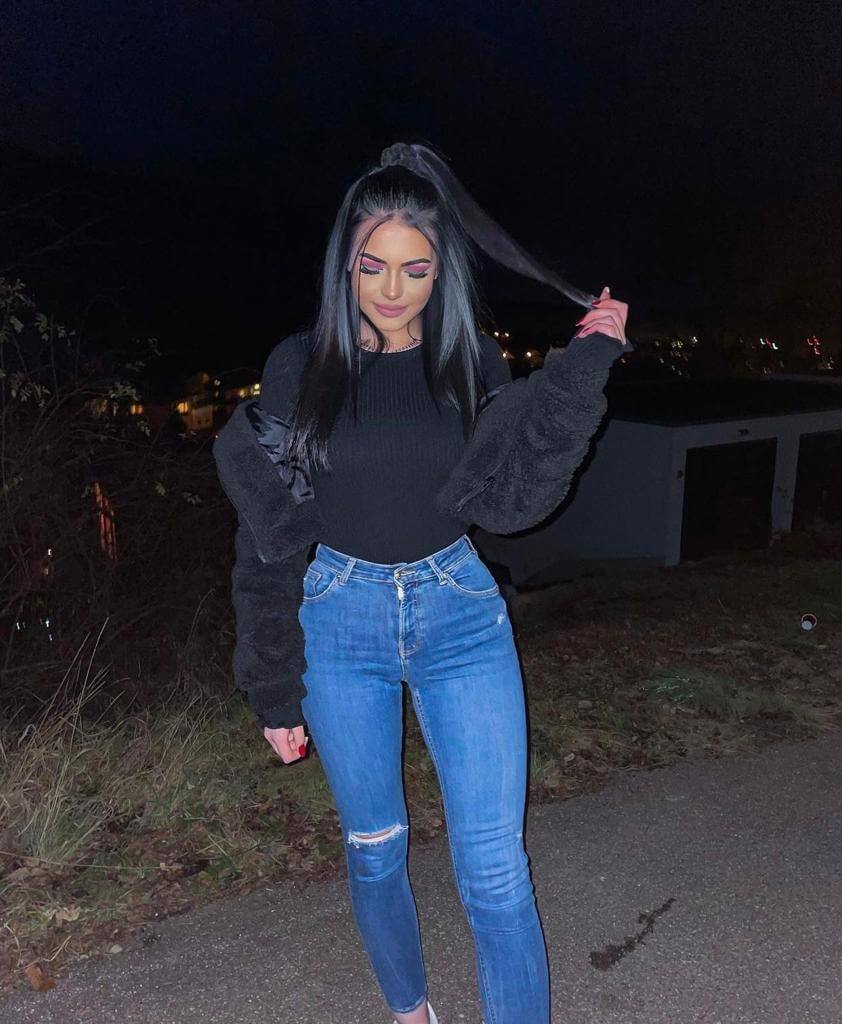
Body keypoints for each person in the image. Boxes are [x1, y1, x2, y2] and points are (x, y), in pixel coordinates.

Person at [213, 141, 630, 1024]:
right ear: (345, 263)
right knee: (375, 849)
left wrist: (585, 364)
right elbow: (269, 538)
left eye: (416, 269)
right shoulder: (299, 367)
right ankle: (411, 1013)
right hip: (338, 619)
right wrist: (272, 683)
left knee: (496, 871)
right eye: (374, 266)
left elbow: (517, 500)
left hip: (460, 612)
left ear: (444, 272)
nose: (393, 289)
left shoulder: (472, 362)